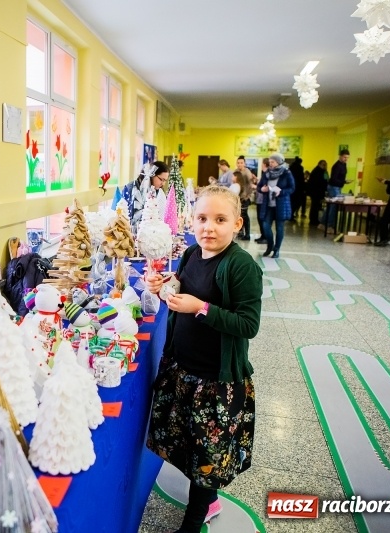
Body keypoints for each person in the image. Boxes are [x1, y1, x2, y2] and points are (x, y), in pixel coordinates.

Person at [144, 185, 262, 533]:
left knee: (207, 459)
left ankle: (194, 521)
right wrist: (163, 285)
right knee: (190, 447)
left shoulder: (241, 267)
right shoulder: (192, 254)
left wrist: (202, 309)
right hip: (185, 370)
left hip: (215, 378)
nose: (209, 227)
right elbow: (182, 285)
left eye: (220, 220)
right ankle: (207, 498)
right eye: (202, 218)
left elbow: (248, 324)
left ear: (237, 224)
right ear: (192, 221)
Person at [257, 152, 295, 258]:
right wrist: (262, 189)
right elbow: (259, 186)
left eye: (272, 162)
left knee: (279, 228)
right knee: (265, 226)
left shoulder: (286, 173)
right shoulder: (267, 173)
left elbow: (292, 188)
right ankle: (270, 246)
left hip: (281, 204)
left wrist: (281, 192)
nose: (270, 164)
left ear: (278, 162)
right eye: (269, 162)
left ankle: (277, 249)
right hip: (268, 204)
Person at [122, 160, 169, 234]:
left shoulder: (159, 192)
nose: (163, 183)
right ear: (152, 174)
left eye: (165, 180)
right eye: (161, 179)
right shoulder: (131, 188)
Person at [319, 149, 351, 229]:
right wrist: (344, 181)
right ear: (340, 156)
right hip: (334, 187)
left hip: (337, 186)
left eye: (347, 157)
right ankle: (329, 225)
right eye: (344, 157)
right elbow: (334, 179)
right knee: (334, 206)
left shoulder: (343, 165)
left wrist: (343, 181)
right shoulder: (337, 166)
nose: (346, 159)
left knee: (331, 206)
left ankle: (323, 223)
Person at [307, 160, 329, 226]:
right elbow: (321, 181)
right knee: (315, 206)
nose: (324, 166)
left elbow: (326, 180)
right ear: (319, 164)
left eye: (325, 165)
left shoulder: (320, 171)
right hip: (316, 192)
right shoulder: (317, 172)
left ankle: (314, 219)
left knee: (316, 206)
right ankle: (313, 220)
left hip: (316, 192)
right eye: (323, 164)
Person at [232, 170, 252, 240]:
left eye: (241, 162)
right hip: (241, 198)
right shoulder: (237, 172)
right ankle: (241, 232)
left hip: (245, 199)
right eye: (238, 163)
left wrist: (247, 196)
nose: (239, 164)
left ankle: (247, 234)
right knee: (241, 216)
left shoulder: (246, 173)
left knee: (245, 217)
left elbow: (249, 186)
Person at [254, 158, 270, 244]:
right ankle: (263, 235)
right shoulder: (264, 174)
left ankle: (265, 237)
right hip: (259, 199)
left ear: (264, 164)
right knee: (260, 218)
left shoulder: (268, 174)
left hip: (263, 200)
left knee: (262, 219)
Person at [288, 157, 305, 221]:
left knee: (291, 201)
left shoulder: (290, 168)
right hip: (298, 187)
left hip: (291, 187)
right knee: (297, 201)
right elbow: (301, 179)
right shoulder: (300, 168)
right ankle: (291, 214)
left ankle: (290, 214)